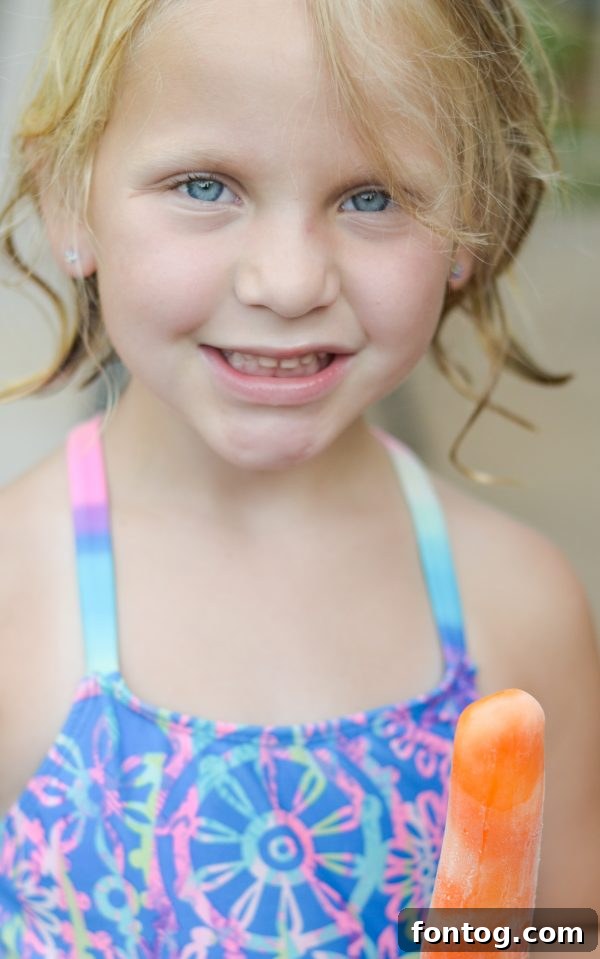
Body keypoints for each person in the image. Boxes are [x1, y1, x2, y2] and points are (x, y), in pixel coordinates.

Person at [0, 0, 598, 955]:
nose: (287, 280)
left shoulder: (519, 606)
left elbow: (564, 927)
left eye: (372, 198)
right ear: (70, 198)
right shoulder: (15, 600)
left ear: (469, 227)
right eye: (205, 185)